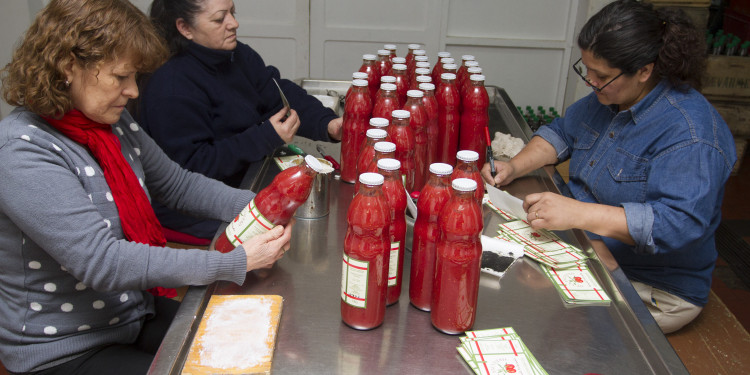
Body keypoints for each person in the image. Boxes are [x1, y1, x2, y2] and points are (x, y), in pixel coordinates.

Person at [0, 0, 294, 373]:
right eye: (121, 77)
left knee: (245, 345)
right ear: (68, 67)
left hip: (130, 314)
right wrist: (233, 262)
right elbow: (103, 263)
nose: (134, 91)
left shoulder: (111, 123)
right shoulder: (22, 151)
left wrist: (265, 205)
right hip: (65, 347)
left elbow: (179, 186)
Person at [482, 0, 736, 334]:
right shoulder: (614, 96)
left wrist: (578, 215)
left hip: (651, 286)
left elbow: (677, 224)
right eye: (586, 69)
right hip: (586, 242)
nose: (590, 81)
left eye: (600, 76)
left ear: (644, 70)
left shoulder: (691, 135)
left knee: (537, 322)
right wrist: (514, 166)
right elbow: (561, 132)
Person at [139, 0, 343, 242]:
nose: (234, 24)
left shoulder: (235, 55)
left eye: (233, 13)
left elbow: (277, 93)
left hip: (244, 182)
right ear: (185, 28)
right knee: (294, 235)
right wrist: (264, 137)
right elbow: (191, 171)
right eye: (219, 19)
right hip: (193, 208)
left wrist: (328, 123)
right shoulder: (171, 87)